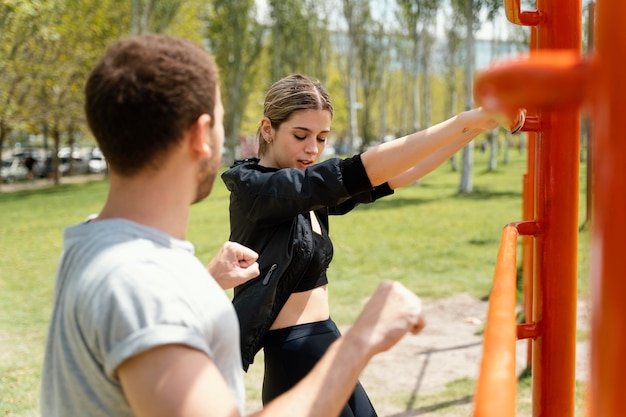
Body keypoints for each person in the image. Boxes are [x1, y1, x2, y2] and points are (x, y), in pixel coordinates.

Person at [40, 34, 426, 417]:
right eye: (222, 122)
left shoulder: (89, 245)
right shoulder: (141, 282)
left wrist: (203, 282)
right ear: (200, 134)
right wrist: (362, 342)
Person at [222, 74, 524, 416]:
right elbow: (354, 172)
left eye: (321, 138)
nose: (313, 149)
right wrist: (464, 120)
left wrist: (473, 130)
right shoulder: (256, 189)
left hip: (326, 343)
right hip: (295, 358)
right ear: (267, 129)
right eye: (301, 135)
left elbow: (398, 172)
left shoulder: (305, 190)